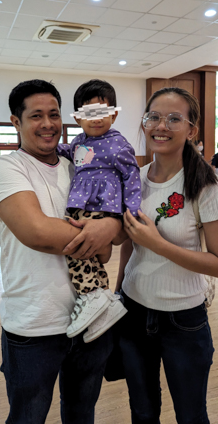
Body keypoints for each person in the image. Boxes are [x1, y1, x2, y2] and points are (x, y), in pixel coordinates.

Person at [0, 79, 124, 424]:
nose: (48, 124)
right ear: (16, 122)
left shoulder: (78, 165)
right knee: (27, 417)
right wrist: (104, 232)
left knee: (81, 414)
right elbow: (38, 232)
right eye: (36, 116)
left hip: (91, 323)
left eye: (54, 115)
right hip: (34, 326)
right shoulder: (7, 167)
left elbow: (116, 228)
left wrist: (111, 227)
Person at [116, 87, 218, 424]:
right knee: (142, 412)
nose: (162, 126)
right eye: (154, 117)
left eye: (174, 118)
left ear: (191, 130)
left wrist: (159, 244)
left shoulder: (205, 184)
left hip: (183, 320)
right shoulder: (136, 179)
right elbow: (130, 244)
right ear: (144, 124)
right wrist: (118, 293)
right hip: (133, 311)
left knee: (191, 415)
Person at [57, 79, 141, 343]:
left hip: (103, 206)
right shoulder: (78, 141)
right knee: (89, 255)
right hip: (81, 205)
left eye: (102, 112)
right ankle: (102, 303)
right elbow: (69, 152)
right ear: (77, 118)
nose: (96, 120)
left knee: (77, 248)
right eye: (88, 114)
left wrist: (132, 211)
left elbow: (132, 176)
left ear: (113, 114)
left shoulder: (118, 144)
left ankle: (93, 295)